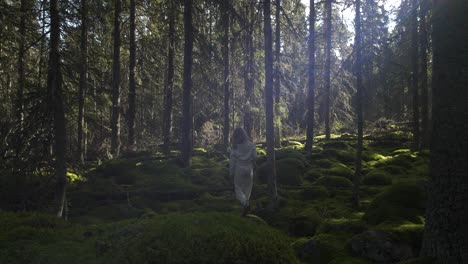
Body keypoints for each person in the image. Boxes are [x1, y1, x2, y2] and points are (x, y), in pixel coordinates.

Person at [229, 127, 257, 216]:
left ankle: (245, 204)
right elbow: (255, 158)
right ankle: (245, 206)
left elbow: (232, 162)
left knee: (238, 189)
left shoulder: (234, 147)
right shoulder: (251, 145)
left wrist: (231, 173)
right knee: (248, 189)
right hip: (249, 169)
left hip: (239, 170)